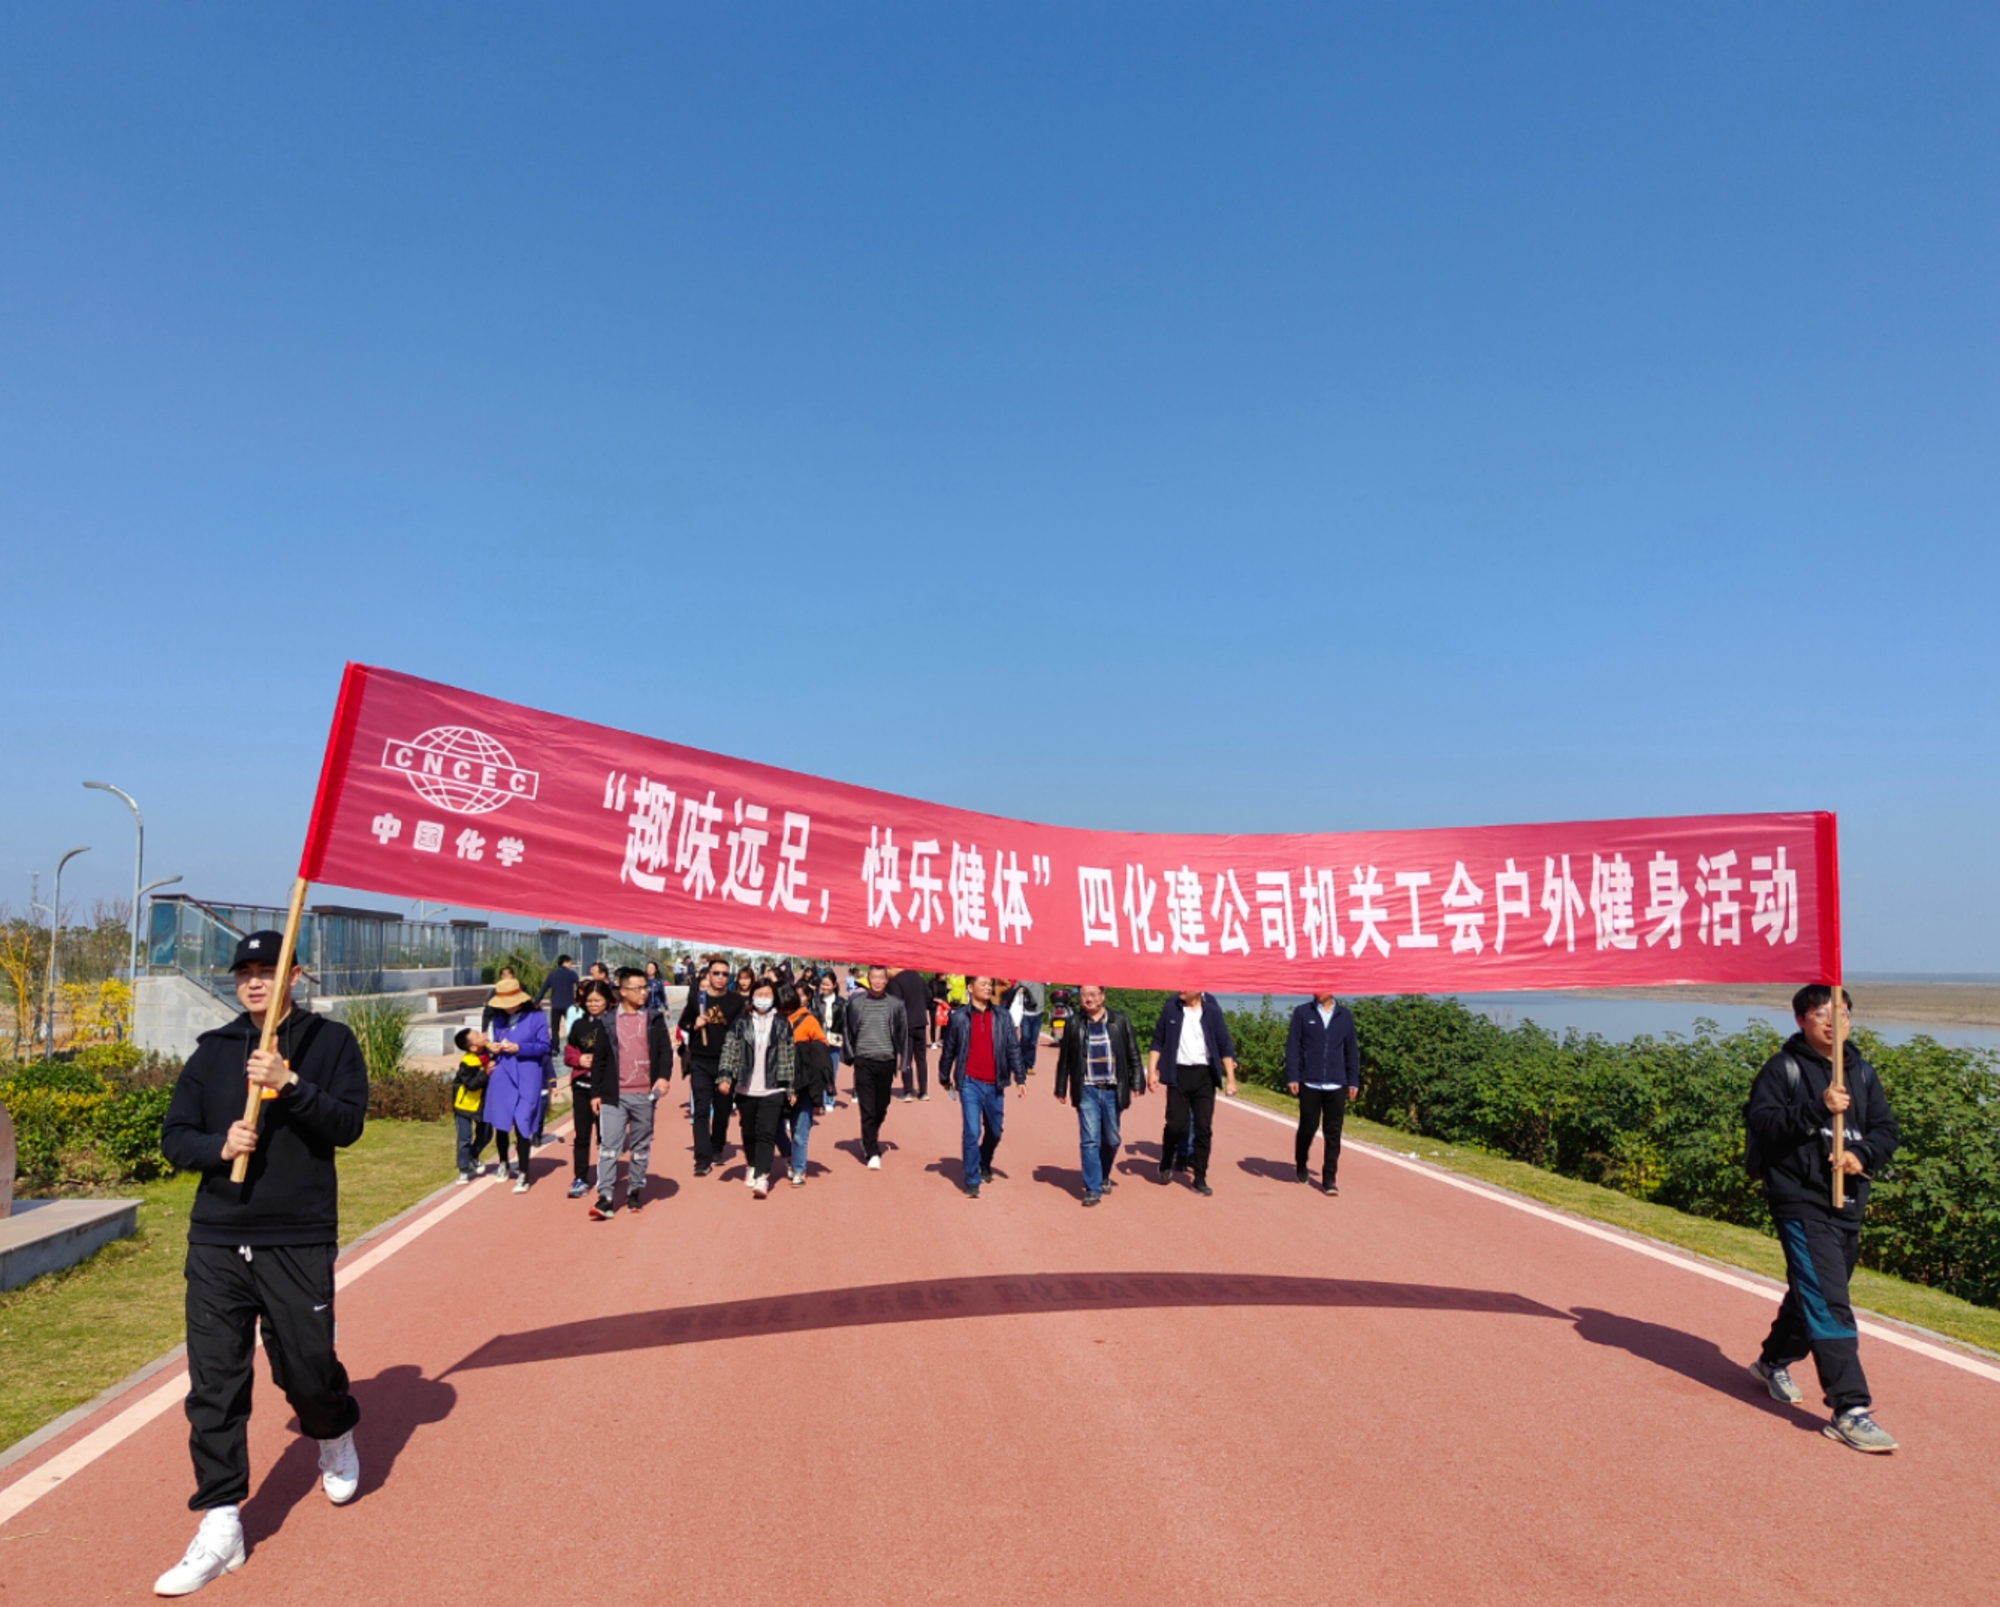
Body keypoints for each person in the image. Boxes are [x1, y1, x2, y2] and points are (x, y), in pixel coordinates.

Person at [153, 930, 368, 1596]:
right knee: (214, 1383)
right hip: (217, 1237)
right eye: (243, 971)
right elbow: (174, 1137)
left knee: (306, 1368)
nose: (253, 981)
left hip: (296, 1235)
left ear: (293, 976)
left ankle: (332, 1429)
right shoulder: (213, 1050)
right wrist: (218, 1147)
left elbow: (348, 1124)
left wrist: (290, 1084)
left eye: (266, 970)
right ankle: (221, 1523)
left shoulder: (329, 1042)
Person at [1745, 985, 1903, 1452]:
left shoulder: (1862, 1073)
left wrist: (1861, 1155)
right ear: (1800, 1020)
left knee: (1811, 1290)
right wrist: (1819, 1107)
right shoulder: (1783, 1069)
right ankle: (1849, 1408)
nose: (1834, 1020)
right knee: (1830, 1300)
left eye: (1843, 1012)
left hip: (1847, 1202)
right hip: (1799, 1200)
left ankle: (1772, 1361)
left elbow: (1886, 1130)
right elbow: (1763, 1123)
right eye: (1821, 1012)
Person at [587, 969, 675, 1218]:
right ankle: (605, 1197)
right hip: (613, 1095)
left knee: (640, 1146)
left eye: (645, 987)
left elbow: (665, 1051)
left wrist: (663, 1078)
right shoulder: (608, 1020)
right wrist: (595, 1092)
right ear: (623, 991)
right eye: (638, 988)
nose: (644, 992)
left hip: (644, 1094)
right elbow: (600, 1059)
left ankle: (634, 1190)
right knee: (609, 1146)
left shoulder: (654, 1018)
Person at [1052, 984, 1143, 1206]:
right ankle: (1093, 1188)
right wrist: (1061, 1087)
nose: (1088, 999)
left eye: (1093, 994)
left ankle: (1103, 1174)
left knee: (1112, 1139)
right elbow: (1065, 1059)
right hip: (1087, 1090)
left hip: (1112, 1089)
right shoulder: (1074, 1023)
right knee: (1090, 1140)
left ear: (1103, 996)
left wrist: (1137, 1080)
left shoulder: (1120, 1020)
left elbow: (1132, 1052)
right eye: (1084, 995)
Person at [938, 976, 1025, 1199]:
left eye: (989, 984)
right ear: (970, 987)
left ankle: (984, 1161)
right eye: (983, 984)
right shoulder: (959, 1017)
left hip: (995, 1083)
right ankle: (971, 1179)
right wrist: (944, 1075)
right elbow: (949, 1049)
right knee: (972, 1131)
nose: (988, 987)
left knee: (995, 1131)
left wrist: (1020, 1077)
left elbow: (1013, 1047)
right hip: (970, 1082)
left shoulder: (1002, 1016)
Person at [1145, 990, 1238, 1196]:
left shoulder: (1212, 1011)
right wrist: (1152, 1071)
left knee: (1203, 1128)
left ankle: (1199, 1177)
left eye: (1186, 985)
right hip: (1178, 1074)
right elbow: (1158, 1041)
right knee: (1175, 1125)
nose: (1181, 989)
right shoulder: (1171, 1009)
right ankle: (1166, 1160)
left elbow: (1224, 1044)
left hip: (1204, 1076)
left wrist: (1230, 1079)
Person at [717, 977, 796, 1197]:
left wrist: (790, 1088)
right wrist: (725, 1076)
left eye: (767, 995)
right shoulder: (741, 1022)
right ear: (752, 997)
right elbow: (729, 1049)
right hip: (746, 1087)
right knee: (748, 1130)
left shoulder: (782, 1023)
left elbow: (788, 1057)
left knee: (766, 1132)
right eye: (759, 994)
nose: (763, 999)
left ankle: (762, 1177)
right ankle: (751, 1164)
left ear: (774, 998)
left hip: (773, 1088)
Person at [1284, 992, 1360, 1194]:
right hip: (1310, 1082)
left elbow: (1351, 1050)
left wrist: (1353, 1081)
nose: (1318, 991)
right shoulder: (1302, 1013)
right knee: (1308, 1127)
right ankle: (1301, 1162)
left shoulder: (1344, 1015)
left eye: (1323, 986)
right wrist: (1293, 1076)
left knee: (1333, 1132)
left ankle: (1329, 1178)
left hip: (1337, 1083)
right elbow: (1293, 1046)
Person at [482, 973, 551, 1192]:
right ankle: (503, 1162)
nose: (506, 1008)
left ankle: (523, 1172)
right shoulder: (498, 1018)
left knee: (523, 1120)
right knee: (501, 1120)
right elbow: (495, 1042)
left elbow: (544, 1047)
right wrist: (493, 1049)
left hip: (528, 1073)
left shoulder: (536, 1017)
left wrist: (520, 1048)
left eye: (509, 1003)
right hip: (502, 1073)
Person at [678, 958, 745, 1175]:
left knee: (722, 1109)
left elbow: (742, 1030)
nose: (720, 977)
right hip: (700, 1061)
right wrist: (694, 1025)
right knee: (701, 1109)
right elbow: (683, 1023)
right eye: (716, 973)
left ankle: (717, 1147)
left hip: (726, 1062)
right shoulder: (697, 998)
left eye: (725, 974)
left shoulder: (736, 1001)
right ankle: (702, 1158)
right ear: (709, 975)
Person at [843, 965, 907, 1169]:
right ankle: (872, 1150)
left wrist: (904, 1061)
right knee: (867, 1107)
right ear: (868, 979)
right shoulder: (856, 1004)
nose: (877, 981)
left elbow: (903, 1034)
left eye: (881, 977)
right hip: (864, 1060)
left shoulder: (896, 1005)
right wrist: (850, 1055)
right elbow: (847, 1029)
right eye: (874, 977)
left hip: (886, 1061)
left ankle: (869, 1134)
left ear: (886, 980)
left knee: (882, 1105)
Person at [563, 981, 614, 1198]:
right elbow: (569, 1051)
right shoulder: (579, 1025)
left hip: (606, 1089)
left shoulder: (615, 1023)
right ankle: (580, 1178)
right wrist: (578, 1060)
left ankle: (607, 1177)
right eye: (589, 1001)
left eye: (597, 1001)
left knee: (607, 1137)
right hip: (582, 1087)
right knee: (582, 1135)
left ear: (608, 1001)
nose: (593, 1004)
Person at [780, 983, 832, 1186]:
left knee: (800, 1130)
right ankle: (789, 1153)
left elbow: (822, 1048)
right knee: (771, 1126)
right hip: (779, 1082)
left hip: (805, 1083)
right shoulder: (774, 1020)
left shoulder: (808, 1020)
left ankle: (799, 1169)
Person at [451, 1027, 493, 1183]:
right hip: (465, 1106)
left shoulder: (489, 1051)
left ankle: (473, 1155)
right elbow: (471, 1085)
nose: (483, 1035)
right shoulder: (467, 1063)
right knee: (464, 1137)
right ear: (473, 1047)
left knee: (486, 1134)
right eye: (478, 1036)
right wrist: (485, 1073)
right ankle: (463, 1169)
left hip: (483, 1104)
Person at [888, 965, 934, 1101]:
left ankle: (908, 1091)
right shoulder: (918, 977)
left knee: (906, 1058)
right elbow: (929, 996)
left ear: (894, 968)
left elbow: (895, 1003)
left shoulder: (896, 982)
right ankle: (923, 1091)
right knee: (921, 1059)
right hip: (920, 1022)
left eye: (888, 970)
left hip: (905, 1024)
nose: (887, 973)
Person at [813, 971, 845, 1113]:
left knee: (832, 1069)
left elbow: (844, 1022)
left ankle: (829, 1099)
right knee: (819, 1069)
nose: (824, 987)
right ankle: (819, 1099)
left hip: (834, 1038)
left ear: (834, 985)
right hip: (819, 1037)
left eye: (827, 984)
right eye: (823, 984)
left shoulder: (841, 1002)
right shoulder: (815, 1001)